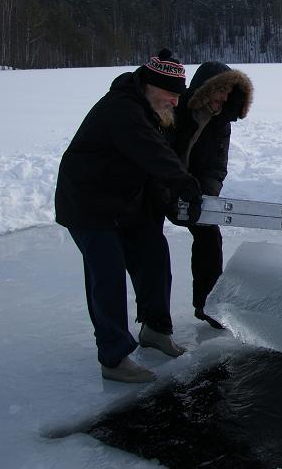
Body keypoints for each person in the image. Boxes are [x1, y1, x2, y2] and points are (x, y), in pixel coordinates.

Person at [55, 49, 203, 383]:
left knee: (154, 255)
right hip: (88, 203)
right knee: (106, 274)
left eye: (178, 95)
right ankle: (114, 358)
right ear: (150, 85)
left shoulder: (152, 109)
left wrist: (170, 200)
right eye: (171, 93)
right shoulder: (122, 108)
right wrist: (185, 184)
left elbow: (150, 167)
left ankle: (155, 329)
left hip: (125, 202)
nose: (176, 101)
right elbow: (151, 153)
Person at [170, 61, 253, 329]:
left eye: (228, 96)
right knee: (149, 248)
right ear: (205, 90)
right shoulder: (176, 111)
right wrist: (175, 187)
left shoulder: (221, 122)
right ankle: (154, 321)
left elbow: (215, 167)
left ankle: (208, 304)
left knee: (209, 235)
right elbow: (161, 153)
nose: (223, 101)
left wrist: (205, 196)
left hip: (192, 187)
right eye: (220, 93)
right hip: (159, 182)